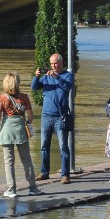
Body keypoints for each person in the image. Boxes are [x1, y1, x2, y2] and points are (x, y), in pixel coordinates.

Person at [0, 73, 43, 198]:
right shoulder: (24, 98)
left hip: (6, 131)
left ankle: (11, 189)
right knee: (26, 160)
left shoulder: (1, 98)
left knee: (9, 162)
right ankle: (33, 187)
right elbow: (30, 117)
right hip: (21, 130)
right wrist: (26, 124)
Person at [31, 53, 73, 184]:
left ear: (61, 63)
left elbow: (67, 86)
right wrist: (37, 77)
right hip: (46, 116)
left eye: (55, 63)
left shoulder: (68, 75)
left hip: (61, 117)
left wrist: (57, 77)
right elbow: (34, 87)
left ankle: (65, 175)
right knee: (44, 146)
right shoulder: (46, 77)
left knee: (63, 147)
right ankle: (44, 172)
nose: (53, 66)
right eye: (51, 64)